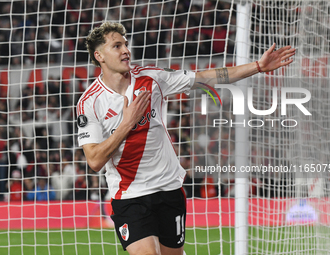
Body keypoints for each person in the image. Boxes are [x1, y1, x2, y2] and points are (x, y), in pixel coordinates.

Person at [77, 21, 295, 255]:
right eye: (117, 46)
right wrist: (128, 123)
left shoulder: (153, 78)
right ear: (99, 55)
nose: (126, 50)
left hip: (169, 189)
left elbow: (205, 77)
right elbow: (95, 160)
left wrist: (257, 66)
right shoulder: (89, 102)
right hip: (131, 196)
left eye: (126, 45)